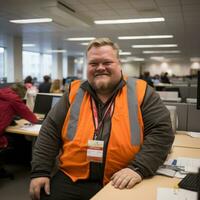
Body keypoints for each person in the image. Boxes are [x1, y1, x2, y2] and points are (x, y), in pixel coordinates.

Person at [29, 38, 174, 200]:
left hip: (122, 178)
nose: (100, 68)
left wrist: (139, 168)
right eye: (93, 63)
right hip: (72, 177)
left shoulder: (141, 91)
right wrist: (40, 171)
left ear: (119, 63)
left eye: (107, 62)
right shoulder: (74, 92)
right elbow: (50, 131)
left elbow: (161, 132)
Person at [0, 83, 38, 148]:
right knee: (21, 140)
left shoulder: (2, 93)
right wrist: (36, 119)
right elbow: (27, 114)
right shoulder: (13, 98)